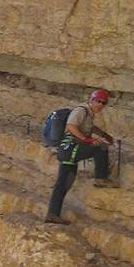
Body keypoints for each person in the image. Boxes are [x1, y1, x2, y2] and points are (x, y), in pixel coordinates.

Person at [44, 88, 117, 225]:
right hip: (70, 147)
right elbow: (71, 127)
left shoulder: (88, 114)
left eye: (104, 103)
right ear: (91, 100)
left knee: (65, 182)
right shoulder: (80, 111)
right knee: (100, 147)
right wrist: (88, 140)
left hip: (69, 150)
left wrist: (104, 135)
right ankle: (101, 178)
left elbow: (89, 128)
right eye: (98, 101)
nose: (100, 105)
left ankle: (52, 214)